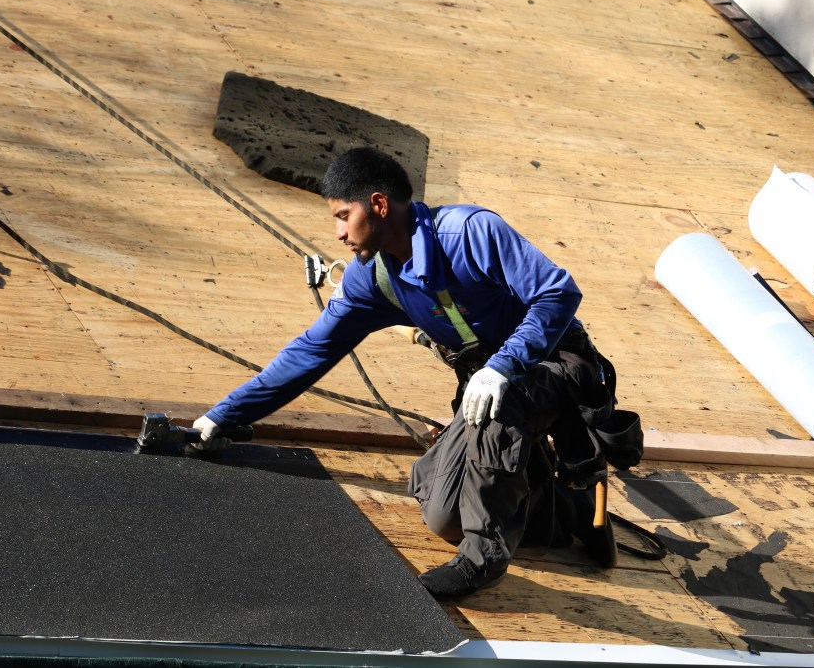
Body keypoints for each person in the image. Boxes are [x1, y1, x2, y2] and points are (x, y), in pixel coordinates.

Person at [194, 147, 642, 599]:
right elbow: (312, 350)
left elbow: (558, 294)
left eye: (344, 216)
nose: (338, 233)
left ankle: (482, 561)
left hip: (556, 367)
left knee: (497, 404)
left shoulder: (470, 232)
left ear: (379, 205)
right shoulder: (372, 278)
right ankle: (572, 509)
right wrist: (222, 416)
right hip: (489, 386)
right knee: (443, 515)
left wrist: (502, 366)